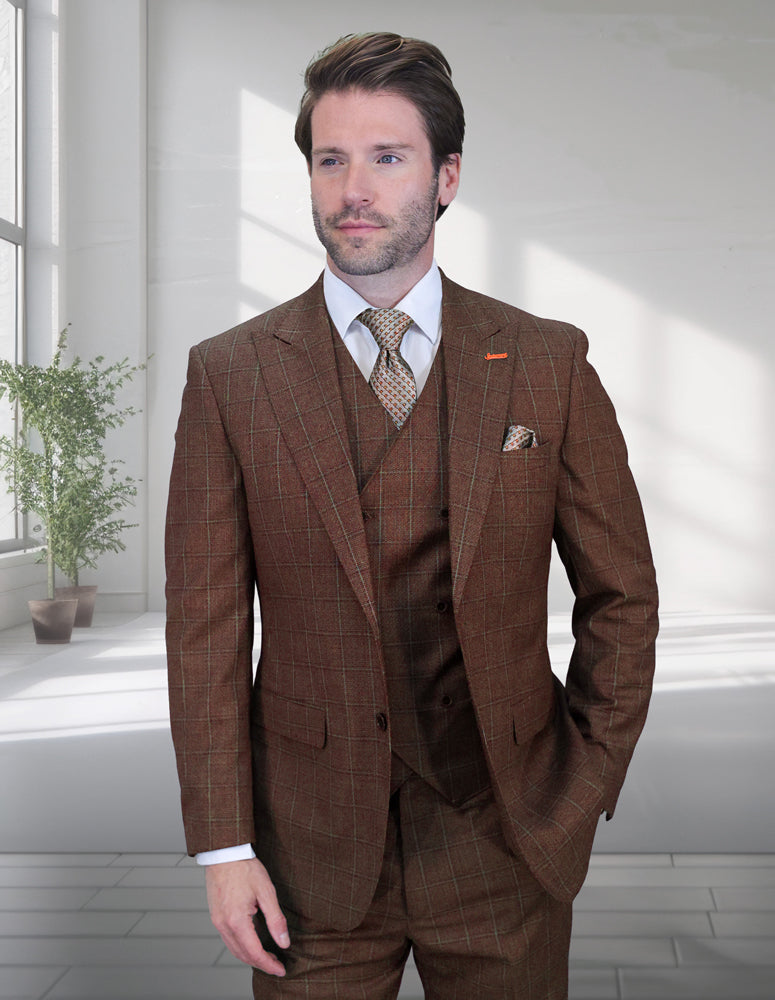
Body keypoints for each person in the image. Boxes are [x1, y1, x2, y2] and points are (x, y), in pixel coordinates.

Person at [165, 31, 658, 1000]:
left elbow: (623, 597)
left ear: (446, 176)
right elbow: (206, 628)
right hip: (307, 854)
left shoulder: (544, 362)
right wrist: (223, 845)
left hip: (504, 834)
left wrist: (581, 782)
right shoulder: (230, 375)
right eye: (331, 158)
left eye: (388, 157)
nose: (355, 188)